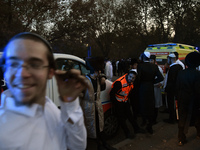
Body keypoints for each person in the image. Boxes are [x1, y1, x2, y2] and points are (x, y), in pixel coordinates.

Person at [0, 32, 87, 150]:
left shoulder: (48, 106)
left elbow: (77, 146)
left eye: (34, 64)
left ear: (51, 72)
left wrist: (69, 102)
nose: (22, 74)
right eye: (13, 64)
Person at [80, 57, 116, 150]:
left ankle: (103, 144)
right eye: (98, 71)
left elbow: (103, 87)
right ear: (94, 70)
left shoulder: (99, 79)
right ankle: (98, 145)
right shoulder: (85, 80)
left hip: (97, 104)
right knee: (92, 126)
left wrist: (103, 78)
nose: (99, 72)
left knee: (100, 125)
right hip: (89, 106)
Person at [110, 70, 145, 139]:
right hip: (118, 102)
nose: (131, 79)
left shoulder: (131, 83)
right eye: (130, 77)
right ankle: (127, 133)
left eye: (133, 78)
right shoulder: (119, 83)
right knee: (121, 119)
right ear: (127, 75)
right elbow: (111, 94)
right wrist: (116, 104)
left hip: (125, 101)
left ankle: (137, 129)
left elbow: (128, 92)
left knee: (130, 116)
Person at [176, 51, 200, 146]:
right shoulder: (198, 74)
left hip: (183, 99)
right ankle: (198, 133)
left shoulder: (181, 73)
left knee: (182, 118)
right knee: (198, 117)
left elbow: (177, 87)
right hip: (194, 100)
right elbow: (198, 90)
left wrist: (178, 98)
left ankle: (181, 138)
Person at [137, 52, 164, 134]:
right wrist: (152, 81)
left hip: (142, 87)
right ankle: (150, 125)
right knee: (151, 105)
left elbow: (139, 78)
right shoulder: (154, 66)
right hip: (150, 88)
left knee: (143, 104)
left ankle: (144, 121)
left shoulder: (140, 66)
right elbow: (161, 77)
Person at [164, 53, 183, 124]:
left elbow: (170, 81)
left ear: (171, 59)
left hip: (171, 90)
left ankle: (171, 119)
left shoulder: (172, 69)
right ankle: (177, 118)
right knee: (177, 105)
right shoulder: (179, 67)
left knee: (171, 104)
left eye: (168, 59)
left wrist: (166, 89)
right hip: (178, 90)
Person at [149, 55, 164, 124]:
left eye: (152, 60)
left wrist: (161, 83)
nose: (150, 61)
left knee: (155, 105)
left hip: (156, 88)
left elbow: (162, 78)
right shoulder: (147, 68)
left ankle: (154, 119)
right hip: (149, 88)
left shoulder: (158, 68)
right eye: (150, 60)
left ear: (155, 61)